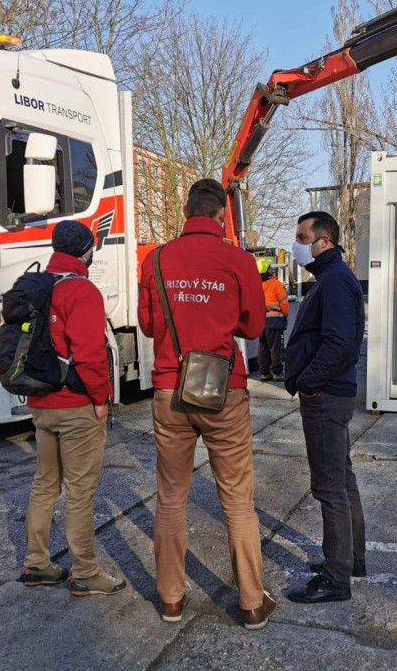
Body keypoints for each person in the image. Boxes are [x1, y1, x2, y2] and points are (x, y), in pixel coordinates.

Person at [138, 178, 276, 630]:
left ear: (185, 212)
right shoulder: (238, 260)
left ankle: (170, 600)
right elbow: (253, 327)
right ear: (221, 215)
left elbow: (147, 324)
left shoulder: (156, 259)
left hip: (169, 389)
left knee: (170, 499)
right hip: (224, 390)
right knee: (237, 501)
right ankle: (252, 603)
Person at [19, 220, 127, 597]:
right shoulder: (81, 290)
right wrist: (101, 400)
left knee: (44, 484)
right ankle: (85, 572)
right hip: (76, 405)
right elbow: (91, 355)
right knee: (80, 492)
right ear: (86, 251)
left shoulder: (33, 286)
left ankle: (36, 564)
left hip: (41, 403)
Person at [284, 211, 366, 604]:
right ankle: (351, 559)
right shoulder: (332, 277)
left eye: (302, 237)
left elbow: (340, 344)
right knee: (342, 479)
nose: (297, 244)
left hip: (326, 396)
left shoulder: (334, 281)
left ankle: (337, 579)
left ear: (324, 241)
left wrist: (308, 382)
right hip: (332, 393)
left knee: (329, 487)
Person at [258, 258, 289, 382]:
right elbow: (284, 303)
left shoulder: (256, 285)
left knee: (263, 347)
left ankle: (264, 373)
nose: (272, 270)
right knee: (276, 347)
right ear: (268, 271)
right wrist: (285, 315)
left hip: (261, 321)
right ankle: (277, 372)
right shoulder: (276, 284)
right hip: (275, 321)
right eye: (270, 268)